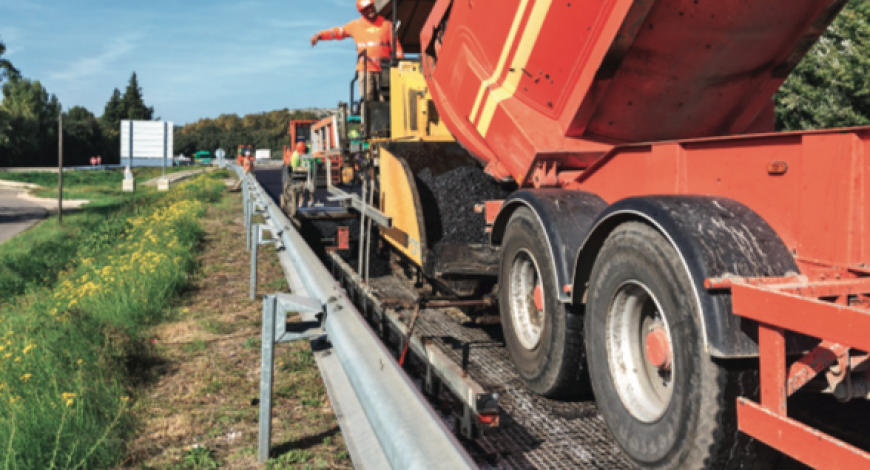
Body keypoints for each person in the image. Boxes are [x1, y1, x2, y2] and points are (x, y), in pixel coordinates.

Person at [311, 0, 404, 103]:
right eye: (365, 9)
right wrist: (320, 35)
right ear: (361, 12)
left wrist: (400, 64)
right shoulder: (356, 25)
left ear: (373, 5)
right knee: (367, 100)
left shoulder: (387, 25)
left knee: (385, 101)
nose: (369, 10)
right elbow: (338, 32)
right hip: (366, 69)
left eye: (370, 6)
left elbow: (396, 47)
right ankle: (366, 118)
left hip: (384, 70)